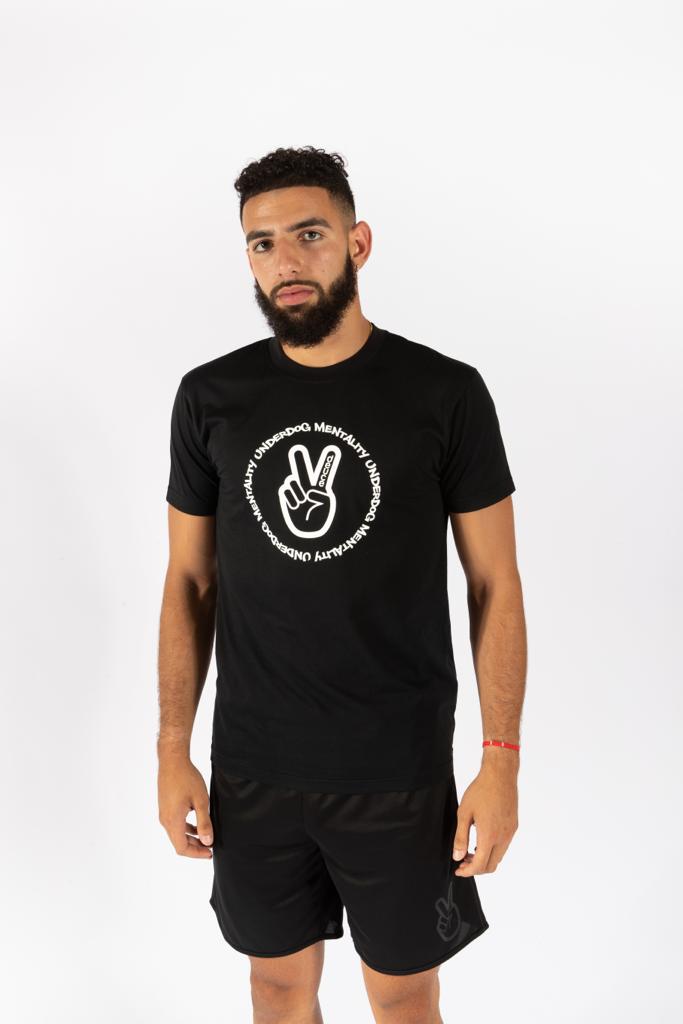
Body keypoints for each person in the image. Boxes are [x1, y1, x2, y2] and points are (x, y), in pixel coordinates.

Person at [157, 146, 527, 1024]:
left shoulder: (443, 393)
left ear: (357, 243)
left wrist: (499, 763)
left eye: (308, 235)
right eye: (261, 244)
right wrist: (173, 748)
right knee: (274, 987)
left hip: (396, 769)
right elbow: (188, 581)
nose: (284, 261)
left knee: (401, 996)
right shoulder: (210, 396)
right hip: (253, 765)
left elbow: (495, 584)